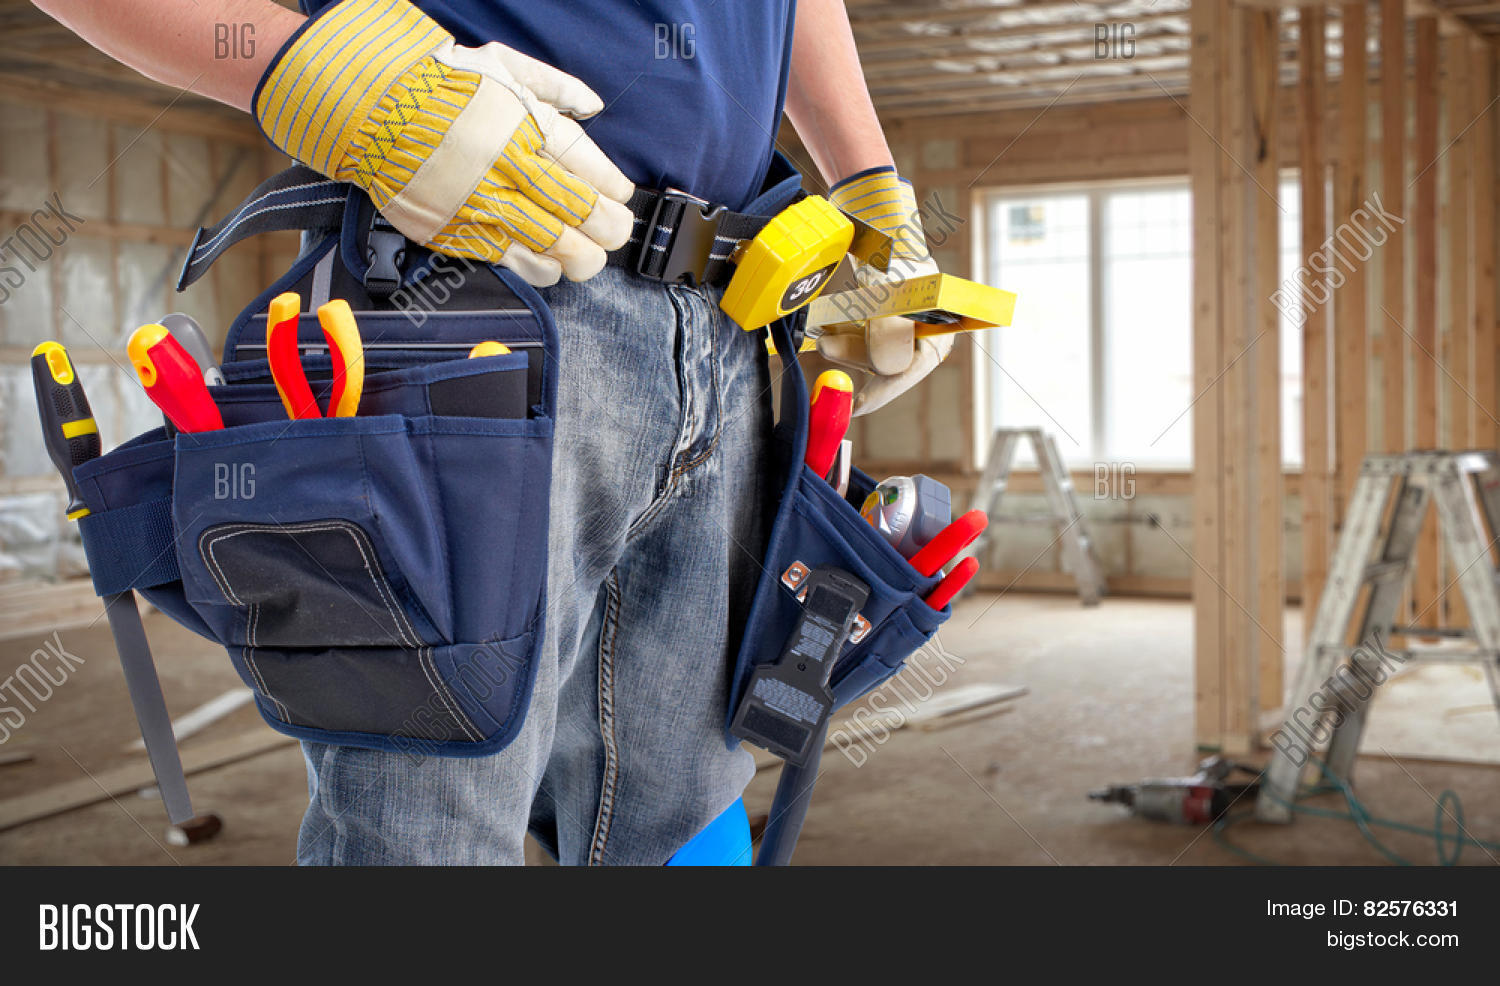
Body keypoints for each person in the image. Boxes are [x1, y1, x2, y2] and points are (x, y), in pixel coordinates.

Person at [35, 0, 949, 864]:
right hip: (468, 289)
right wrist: (305, 67)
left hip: (735, 311)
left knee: (690, 816)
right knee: (431, 825)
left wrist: (867, 182)